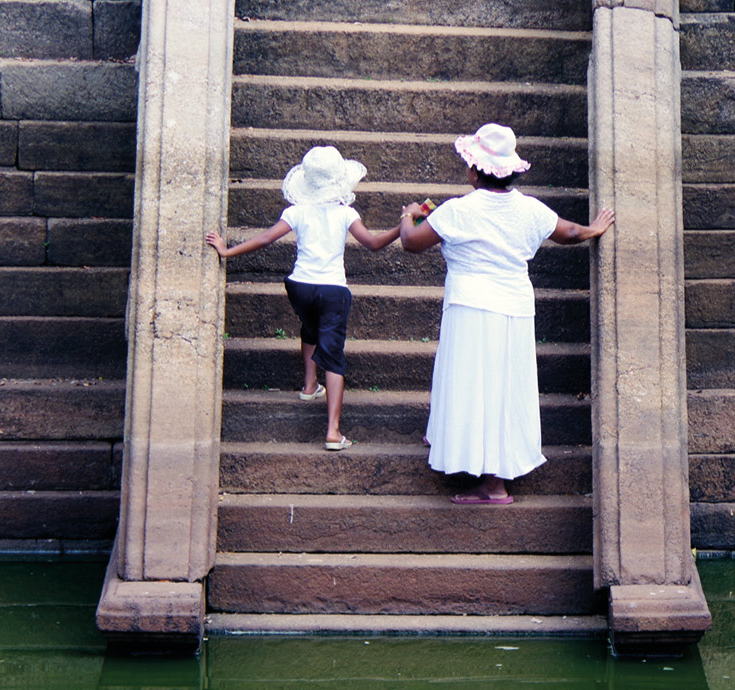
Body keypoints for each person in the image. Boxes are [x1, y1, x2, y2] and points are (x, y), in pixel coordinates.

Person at [398, 123, 615, 505]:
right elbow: (568, 233)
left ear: (474, 171)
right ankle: (492, 477)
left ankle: (489, 483)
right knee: (503, 390)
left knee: (469, 385)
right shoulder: (529, 209)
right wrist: (594, 229)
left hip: (469, 307)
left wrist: (409, 215)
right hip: (513, 308)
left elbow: (411, 242)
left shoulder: (458, 210)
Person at [206, 146, 399, 451]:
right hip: (333, 290)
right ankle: (333, 431)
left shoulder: (295, 212)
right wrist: (403, 225)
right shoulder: (346, 213)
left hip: (299, 286)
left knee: (310, 327)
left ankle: (310, 385)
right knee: (333, 357)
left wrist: (227, 250)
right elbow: (373, 243)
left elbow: (266, 238)